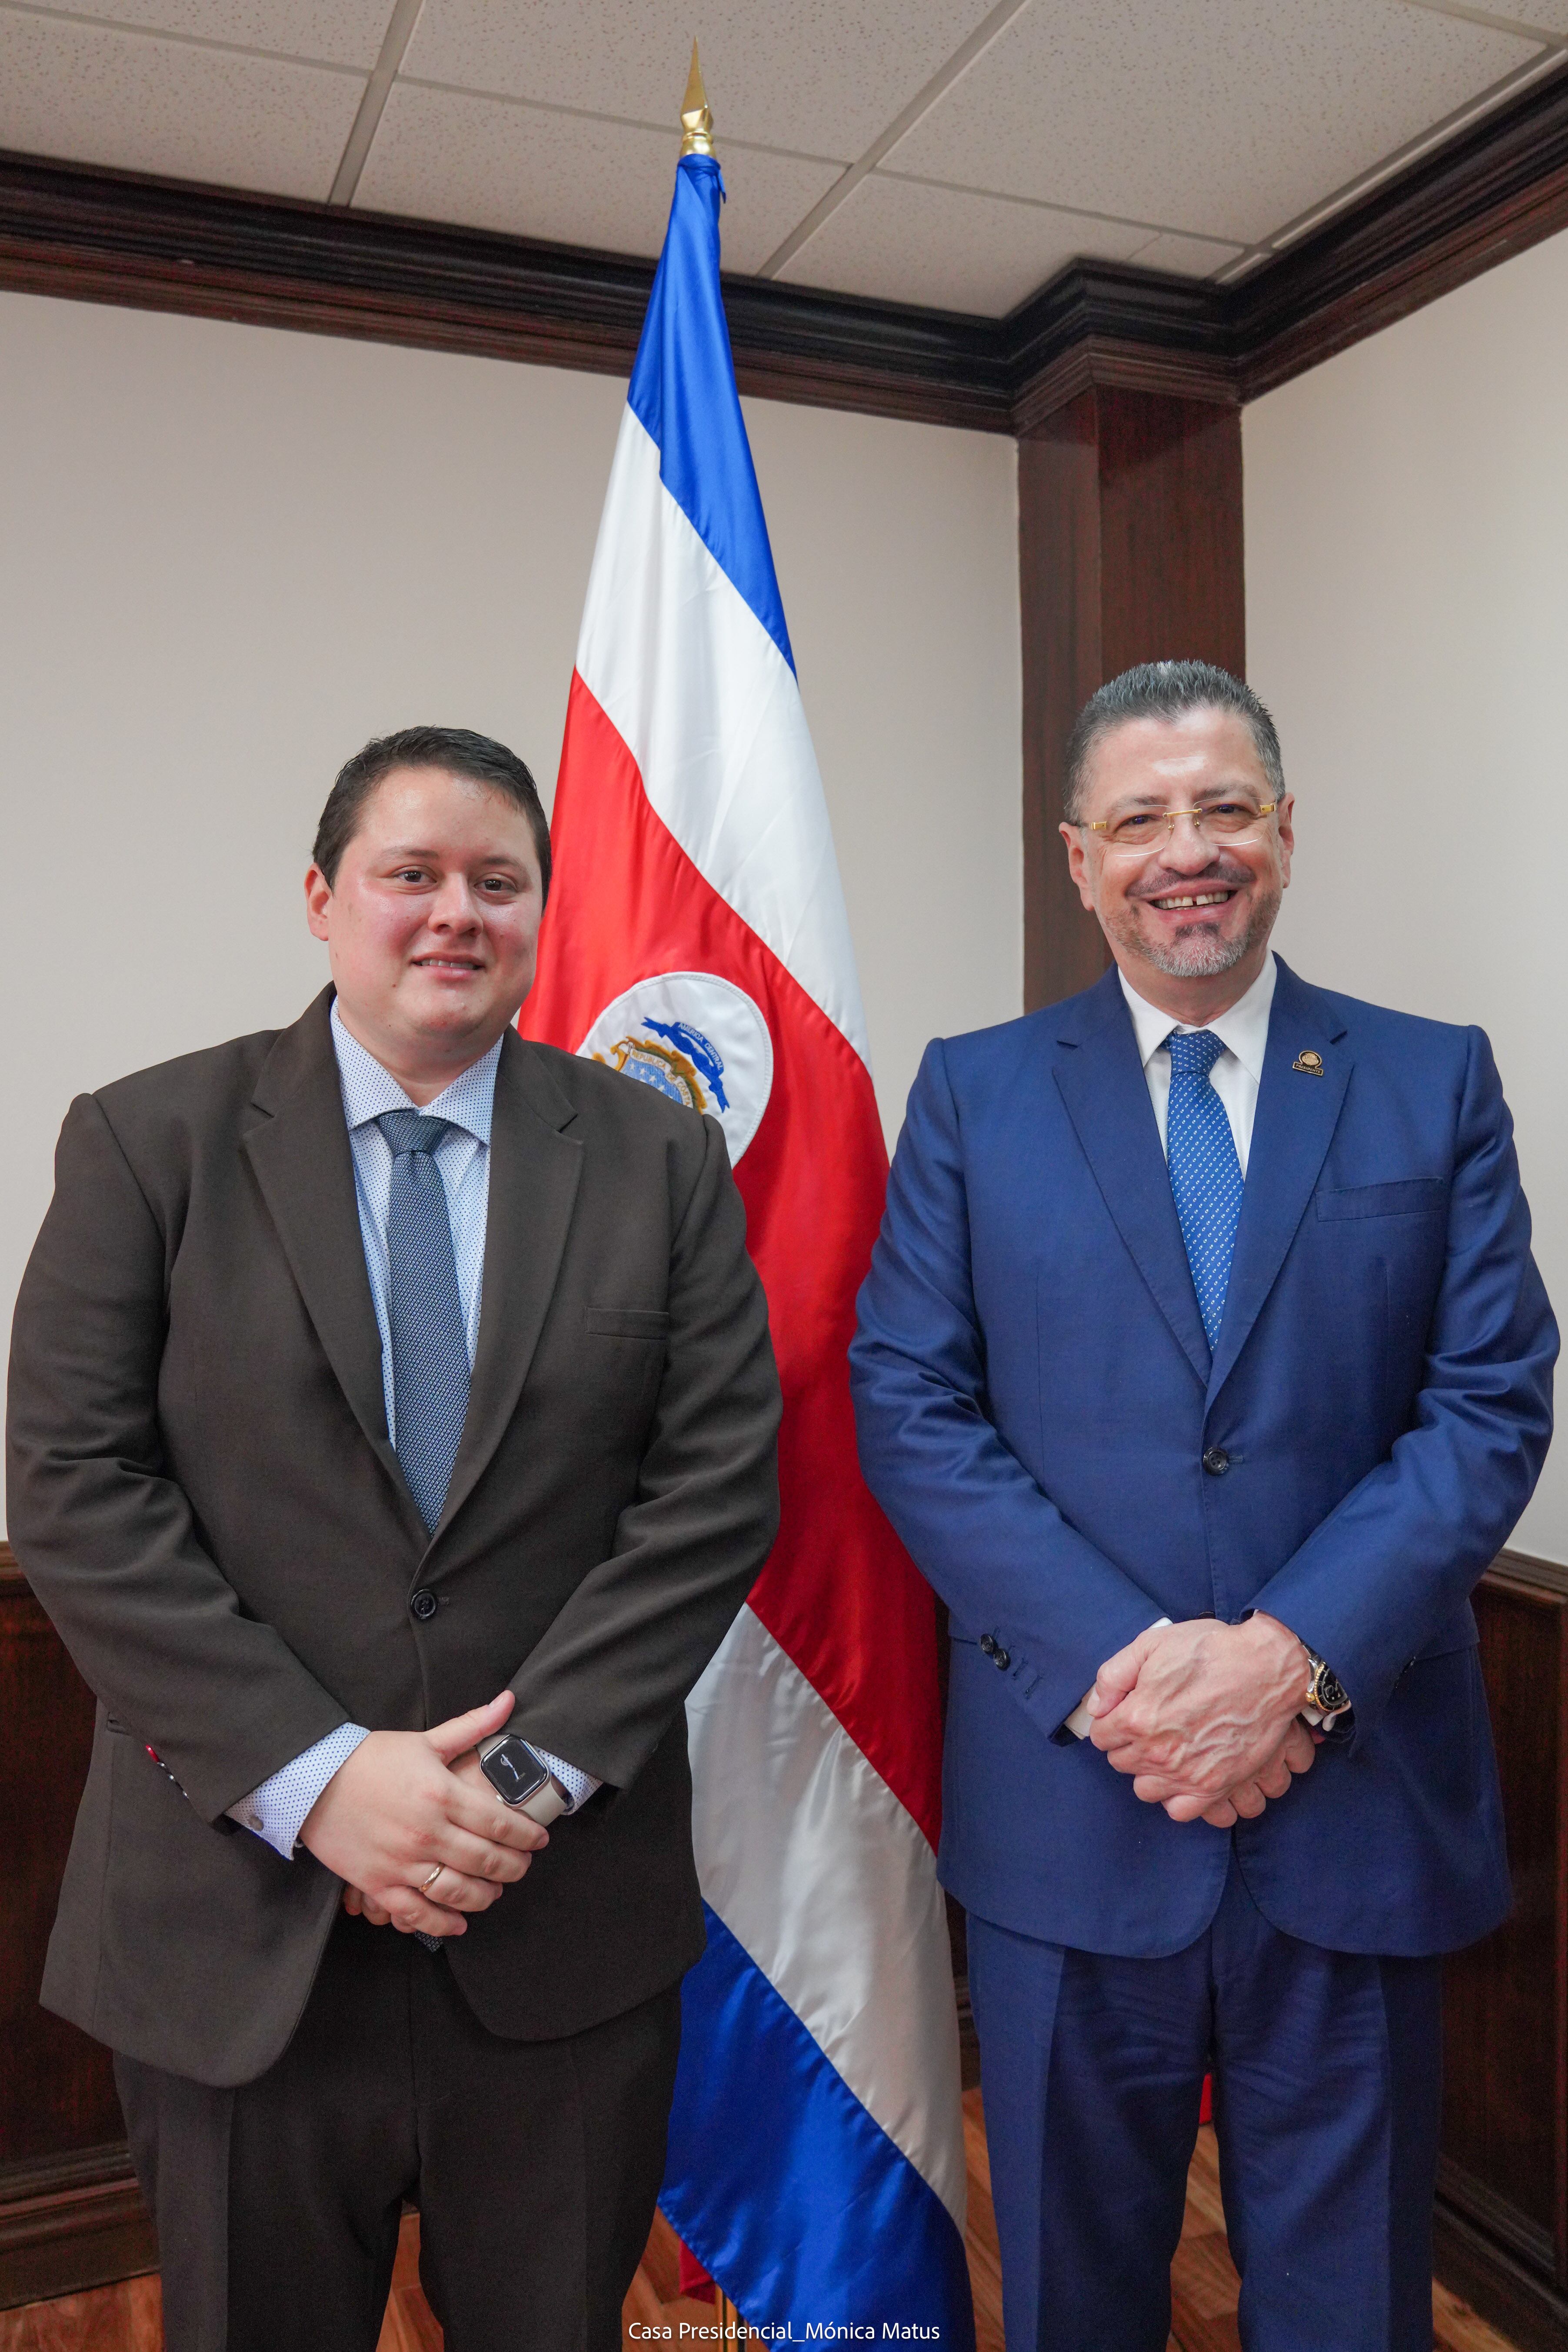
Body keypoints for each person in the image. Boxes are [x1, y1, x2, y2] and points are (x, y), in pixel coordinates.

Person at [7, 725, 781, 2352]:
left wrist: (508, 1787)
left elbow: (713, 1488)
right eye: (409, 874)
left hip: (556, 1920)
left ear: (541, 915)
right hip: (239, 1934)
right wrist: (319, 1779)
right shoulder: (150, 1141)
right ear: (321, 898)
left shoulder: (658, 1152)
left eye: (497, 881)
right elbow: (74, 1484)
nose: (455, 913)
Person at [849, 662, 1555, 2352]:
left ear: (1285, 836)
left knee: (1348, 2303)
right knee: (1077, 2291)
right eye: (1141, 818)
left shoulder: (1424, 1080)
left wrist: (1290, 1664)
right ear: (1077, 856)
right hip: (1074, 1812)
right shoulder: (973, 1091)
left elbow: (1484, 1402)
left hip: (1354, 1792)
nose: (1189, 850)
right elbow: (910, 1398)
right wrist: (1126, 1675)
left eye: (1224, 808)